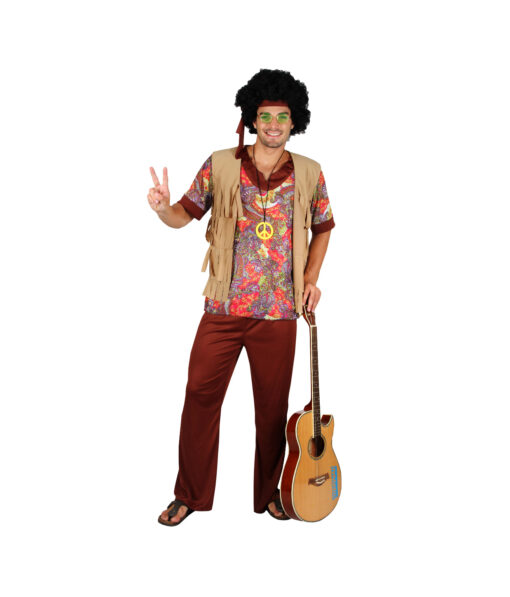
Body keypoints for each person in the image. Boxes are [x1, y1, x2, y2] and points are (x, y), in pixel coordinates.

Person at [147, 68, 335, 526]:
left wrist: (311, 278)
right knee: (199, 394)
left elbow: (324, 227)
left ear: (294, 121)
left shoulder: (310, 172)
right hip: (224, 308)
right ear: (252, 118)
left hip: (280, 312)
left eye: (282, 116)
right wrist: (163, 208)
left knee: (272, 411)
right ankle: (190, 494)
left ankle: (270, 493)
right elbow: (184, 215)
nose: (273, 124)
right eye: (265, 115)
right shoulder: (221, 164)